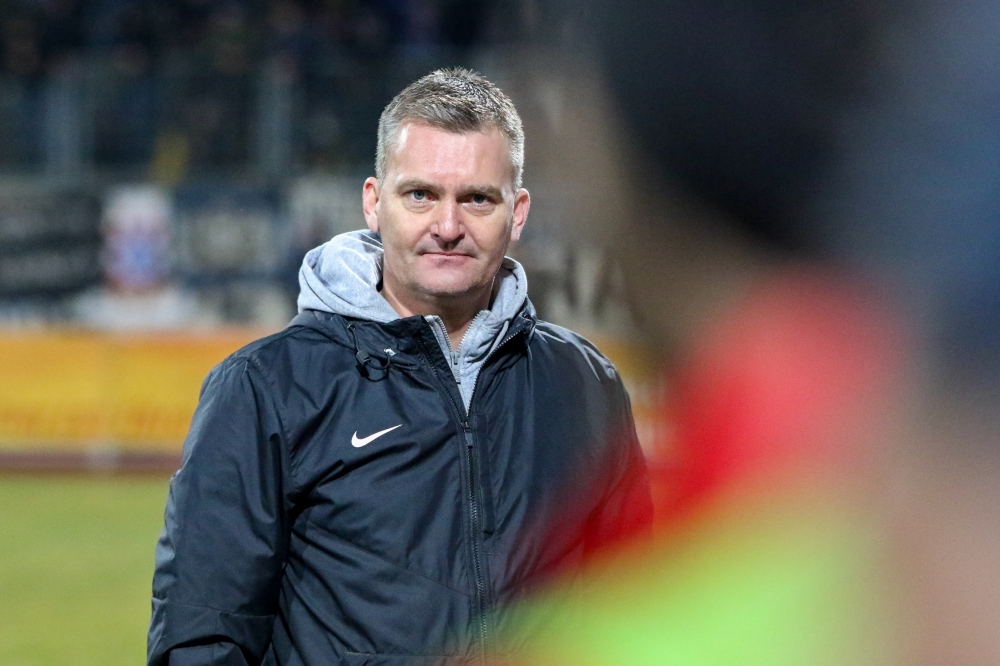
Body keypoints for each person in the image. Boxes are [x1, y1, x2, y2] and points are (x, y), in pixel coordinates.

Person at [147, 67, 652, 666]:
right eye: (420, 195)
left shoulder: (586, 384)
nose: (447, 227)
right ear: (373, 202)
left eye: (477, 199)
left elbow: (642, 610)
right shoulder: (266, 387)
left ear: (517, 213)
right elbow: (203, 635)